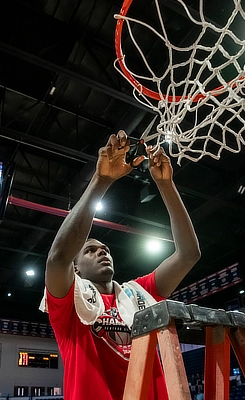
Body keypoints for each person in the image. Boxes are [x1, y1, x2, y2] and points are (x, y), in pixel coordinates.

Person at [41, 131, 201, 400]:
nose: (102, 252)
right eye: (90, 251)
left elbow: (188, 254)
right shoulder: (68, 302)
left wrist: (165, 185)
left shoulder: (139, 291)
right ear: (76, 268)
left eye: (105, 249)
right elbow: (58, 258)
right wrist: (101, 180)